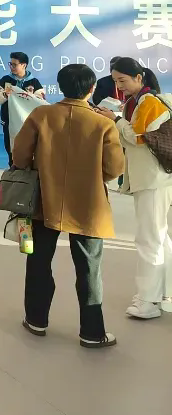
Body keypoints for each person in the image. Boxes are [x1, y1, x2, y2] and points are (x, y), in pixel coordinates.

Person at [12, 64, 123, 348]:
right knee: (89, 269)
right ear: (92, 88)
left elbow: (20, 157)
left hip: (42, 200)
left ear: (60, 87)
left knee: (38, 261)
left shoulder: (41, 115)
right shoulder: (103, 123)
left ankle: (36, 319)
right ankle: (92, 332)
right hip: (88, 204)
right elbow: (114, 168)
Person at [96, 57, 172, 319]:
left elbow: (137, 137)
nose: (119, 86)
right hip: (151, 178)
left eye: (123, 80)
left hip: (152, 179)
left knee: (149, 239)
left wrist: (116, 119)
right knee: (159, 236)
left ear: (139, 77)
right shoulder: (137, 102)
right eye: (116, 81)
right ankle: (164, 294)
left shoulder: (149, 101)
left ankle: (148, 301)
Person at [0, 51, 45, 166]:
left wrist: (29, 96)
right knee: (10, 146)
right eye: (10, 64)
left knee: (29, 146)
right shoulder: (5, 80)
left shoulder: (34, 82)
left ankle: (28, 169)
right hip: (9, 120)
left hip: (28, 121)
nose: (11, 67)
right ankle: (12, 168)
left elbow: (40, 101)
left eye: (14, 64)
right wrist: (5, 94)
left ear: (23, 65)